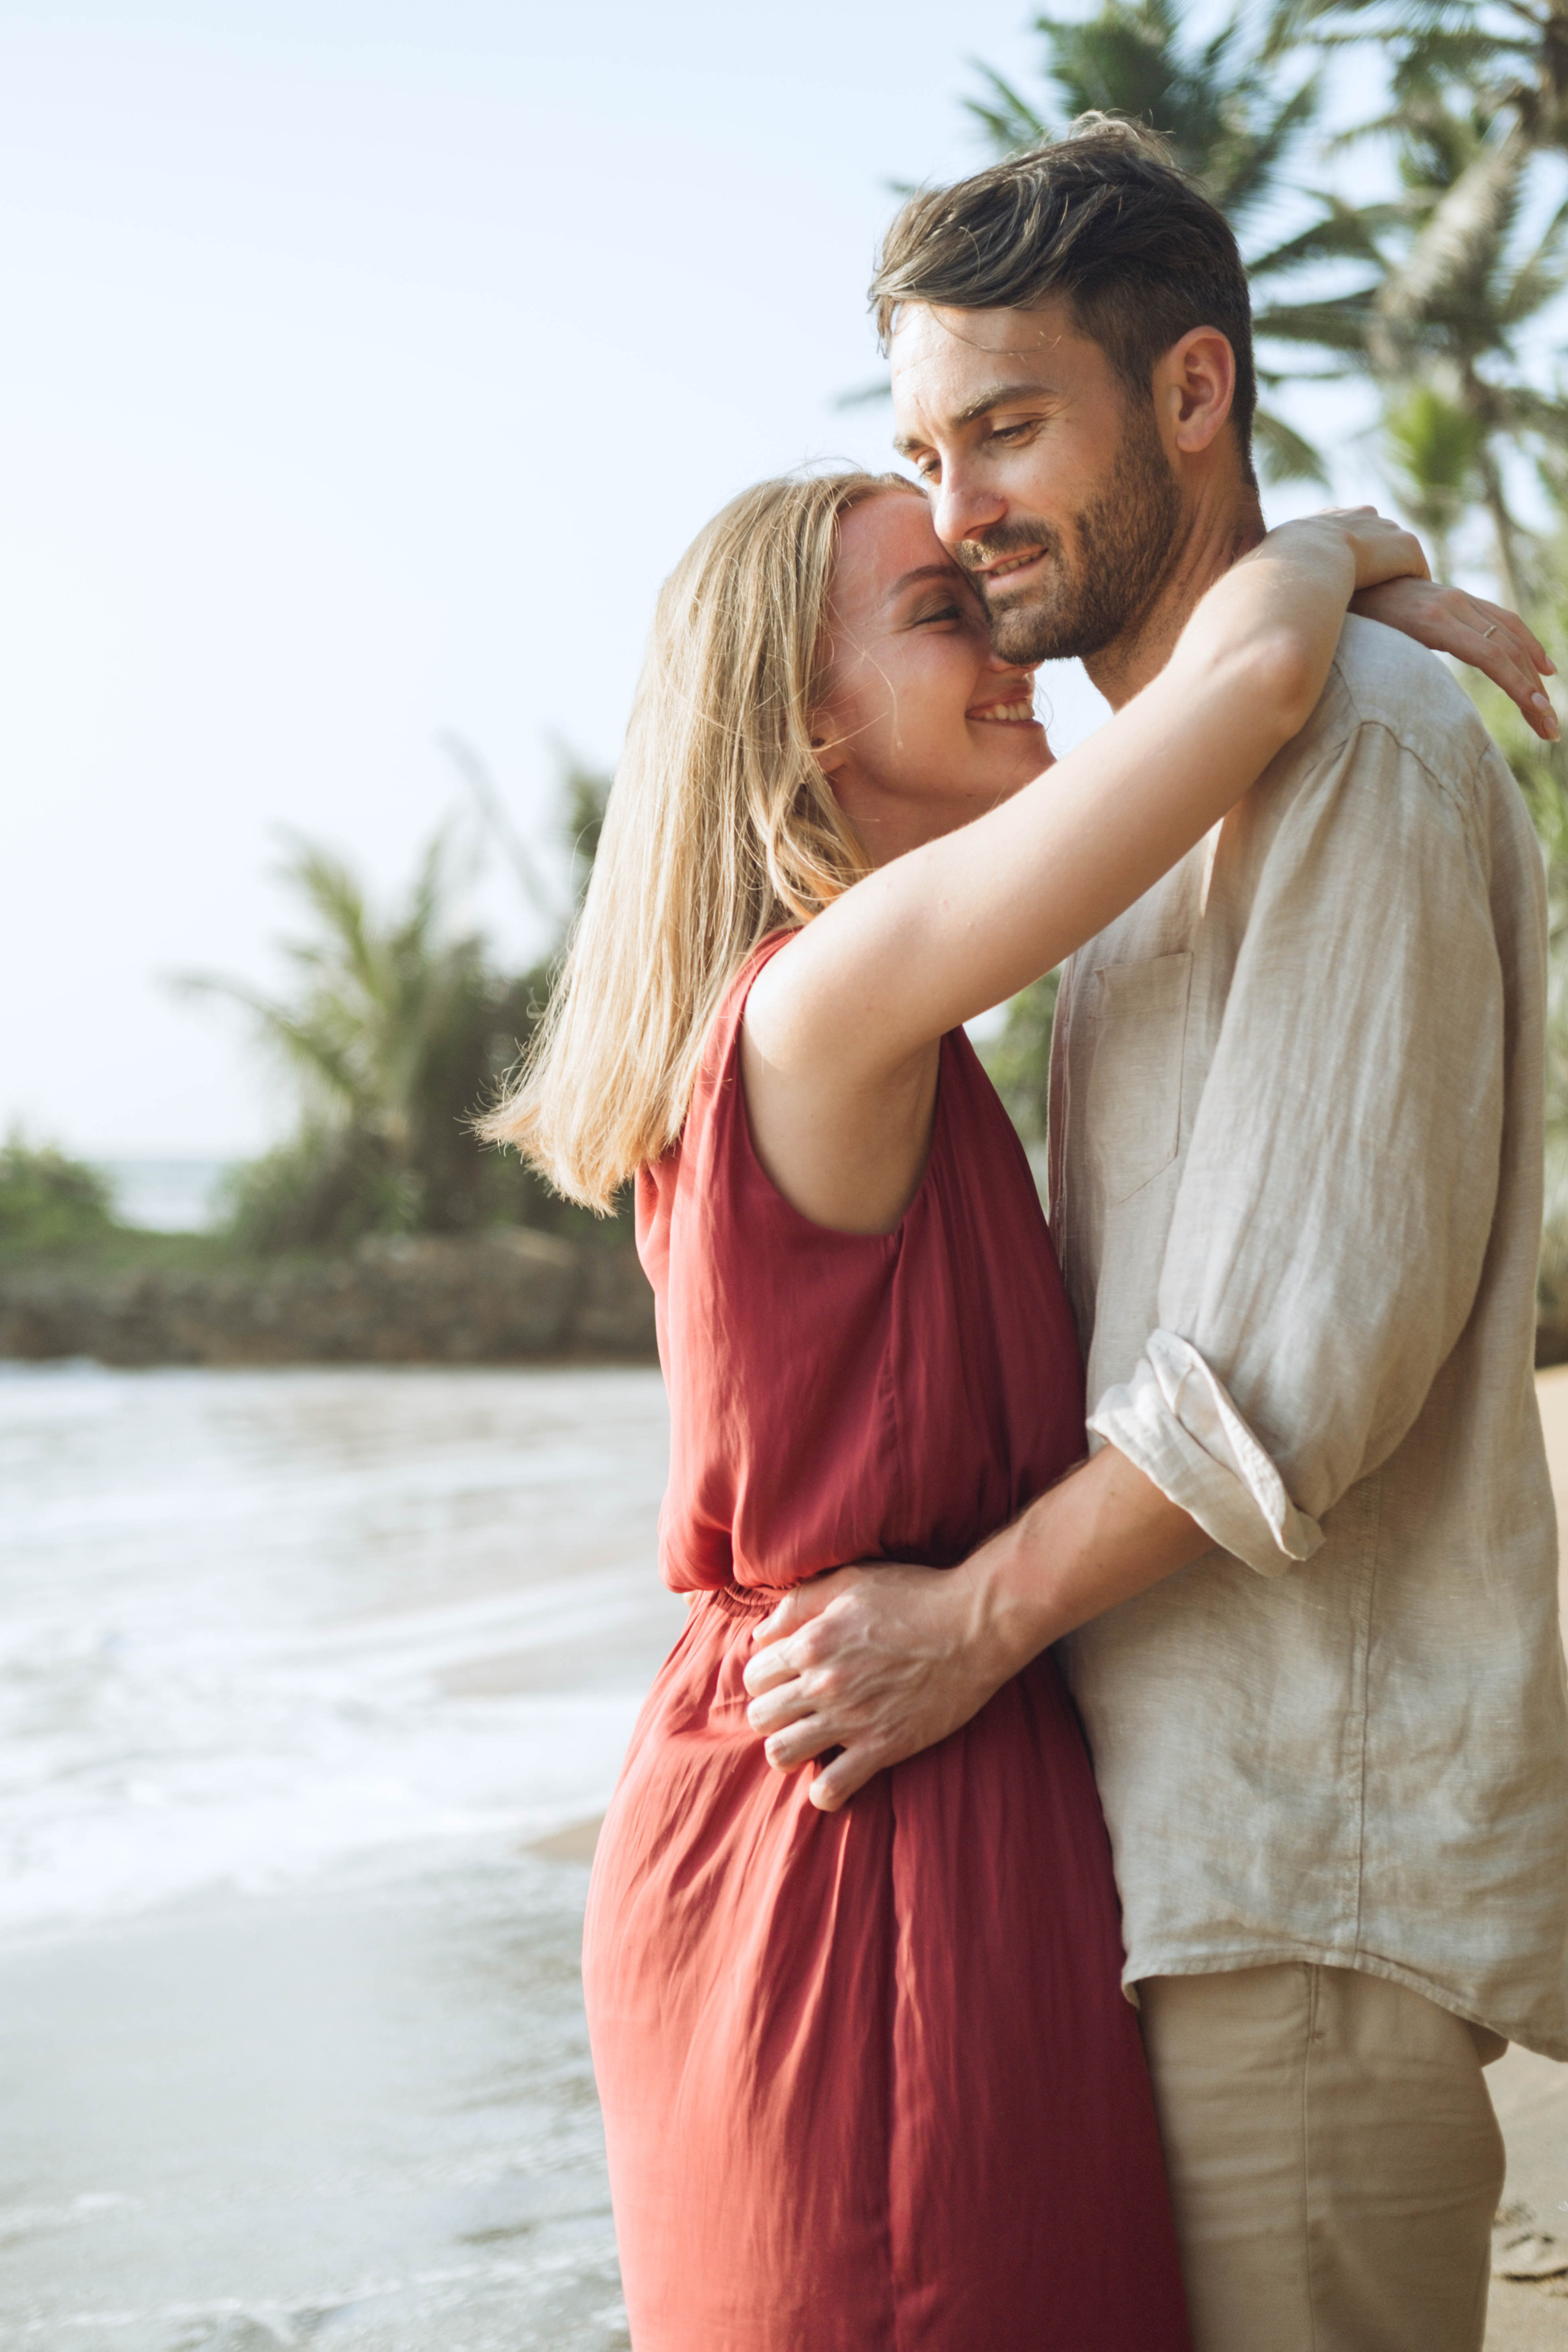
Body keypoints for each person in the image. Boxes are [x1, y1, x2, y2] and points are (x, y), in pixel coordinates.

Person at [484, 433, 1547, 2343]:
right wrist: (1345, 545)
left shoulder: (861, 1031)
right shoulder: (819, 1003)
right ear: (806, 728)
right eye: (938, 616)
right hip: (855, 1817)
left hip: (901, 1763)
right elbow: (1250, 684)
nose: (1010, 655)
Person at [741, 120, 1568, 2352]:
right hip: (1176, 1873)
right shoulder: (1143, 818)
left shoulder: (1360, 755)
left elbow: (1286, 1377)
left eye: (1009, 427)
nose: (956, 507)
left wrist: (965, 1628)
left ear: (1195, 391)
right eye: (925, 449)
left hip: (1304, 1881)